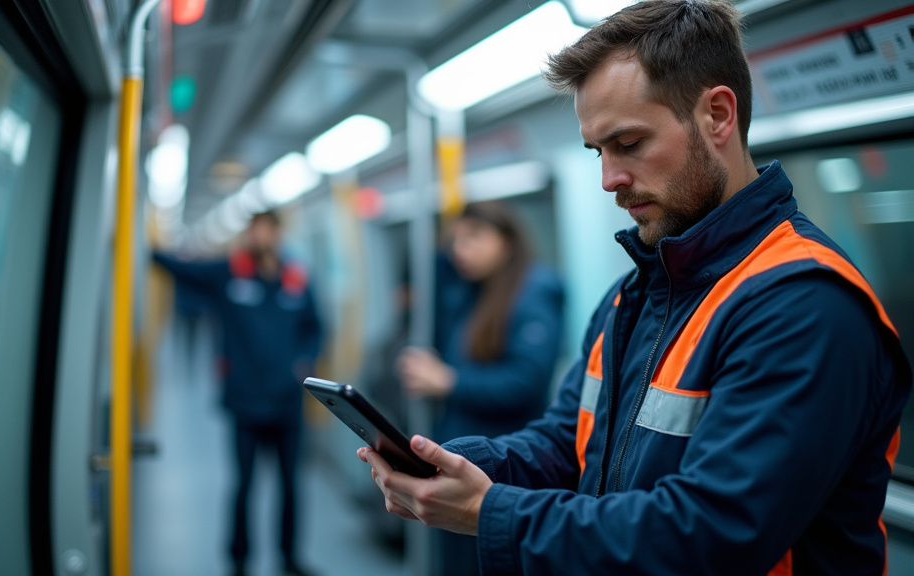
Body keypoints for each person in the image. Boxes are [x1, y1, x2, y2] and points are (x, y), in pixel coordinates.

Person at [356, 1, 913, 575]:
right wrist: (456, 464)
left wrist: (493, 511)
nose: (608, 180)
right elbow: (566, 442)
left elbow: (711, 533)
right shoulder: (638, 293)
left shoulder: (801, 304)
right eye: (598, 152)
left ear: (717, 116)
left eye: (628, 143)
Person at [396, 201, 564, 575]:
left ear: (507, 240)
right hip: (464, 451)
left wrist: (448, 381)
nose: (460, 250)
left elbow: (525, 382)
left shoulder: (534, 291)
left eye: (474, 237)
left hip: (502, 462)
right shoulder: (474, 292)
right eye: (456, 240)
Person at [153, 211, 322, 576]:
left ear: (278, 233)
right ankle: (239, 559)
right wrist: (144, 248)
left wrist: (306, 360)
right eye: (255, 229)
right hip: (245, 402)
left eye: (268, 229)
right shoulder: (228, 273)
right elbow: (182, 270)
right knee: (243, 485)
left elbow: (316, 327)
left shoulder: (296, 278)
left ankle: (288, 556)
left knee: (290, 486)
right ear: (249, 234)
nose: (261, 236)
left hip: (287, 404)